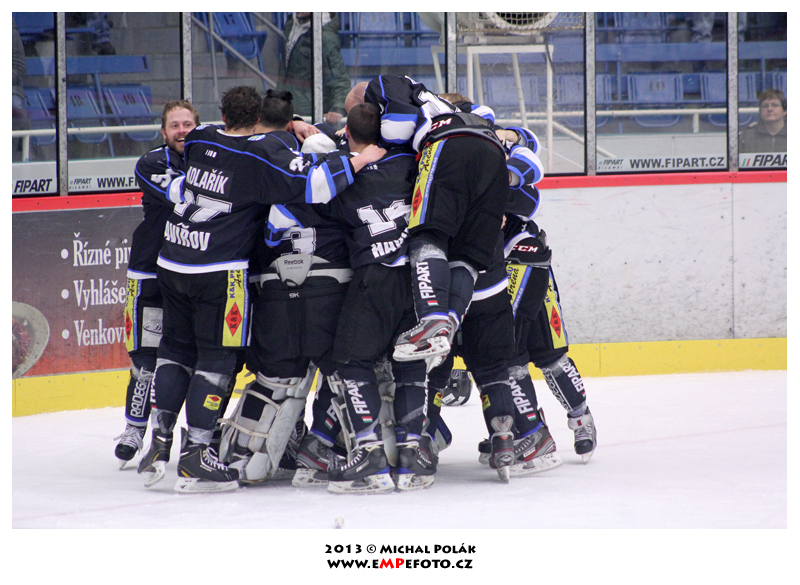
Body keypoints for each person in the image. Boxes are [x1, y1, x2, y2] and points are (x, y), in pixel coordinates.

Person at [136, 85, 384, 493]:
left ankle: (160, 441)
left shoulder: (200, 138)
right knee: (216, 359)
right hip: (220, 270)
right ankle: (196, 453)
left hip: (173, 260)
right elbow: (317, 185)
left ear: (222, 115)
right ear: (255, 121)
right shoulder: (261, 154)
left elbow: (220, 141)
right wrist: (360, 159)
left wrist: (290, 124)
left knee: (176, 350)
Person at [114, 99, 199, 469]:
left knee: (192, 357)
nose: (182, 131)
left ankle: (188, 434)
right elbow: (183, 196)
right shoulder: (151, 162)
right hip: (149, 270)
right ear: (164, 132)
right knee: (146, 357)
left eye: (187, 124)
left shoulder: (212, 157)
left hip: (191, 271)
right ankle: (134, 428)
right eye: (175, 125)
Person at [277, 12, 350, 126]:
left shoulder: (325, 37)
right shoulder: (290, 24)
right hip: (287, 108)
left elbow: (339, 77)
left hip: (308, 114)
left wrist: (338, 108)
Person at [739, 89, 787, 154]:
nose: (769, 109)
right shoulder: (745, 136)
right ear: (760, 111)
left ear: (784, 111)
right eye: (765, 106)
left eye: (775, 105)